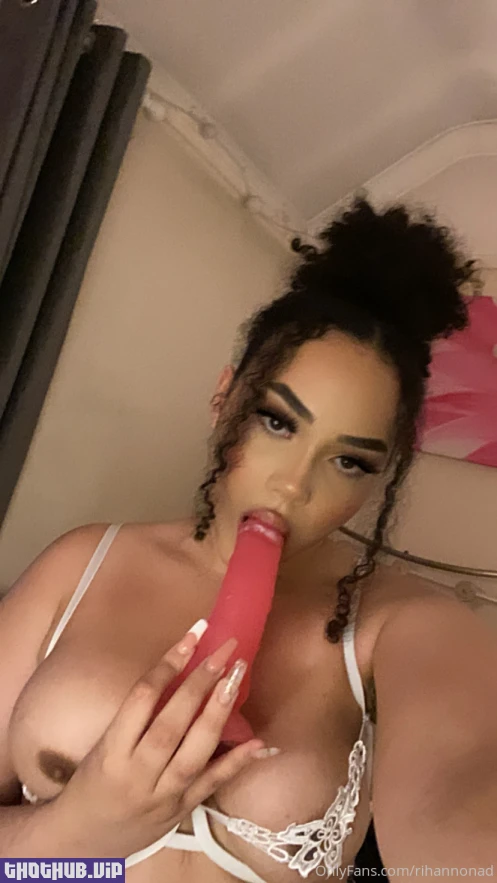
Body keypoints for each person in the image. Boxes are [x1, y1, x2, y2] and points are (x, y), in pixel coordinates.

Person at [0, 195, 493, 881]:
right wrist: (72, 834)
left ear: (380, 477)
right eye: (276, 422)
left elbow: (459, 802)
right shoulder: (83, 563)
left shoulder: (402, 623)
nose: (293, 485)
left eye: (349, 461)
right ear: (223, 397)